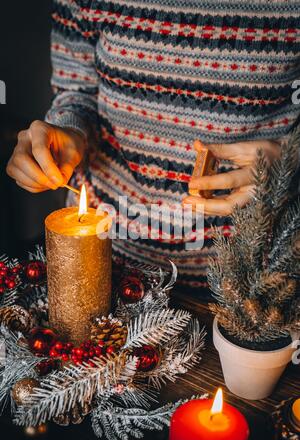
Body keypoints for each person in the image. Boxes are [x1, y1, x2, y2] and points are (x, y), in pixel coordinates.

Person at [6, 1, 300, 291]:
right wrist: (69, 131)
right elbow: (76, 91)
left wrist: (290, 157)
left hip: (260, 286)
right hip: (113, 268)